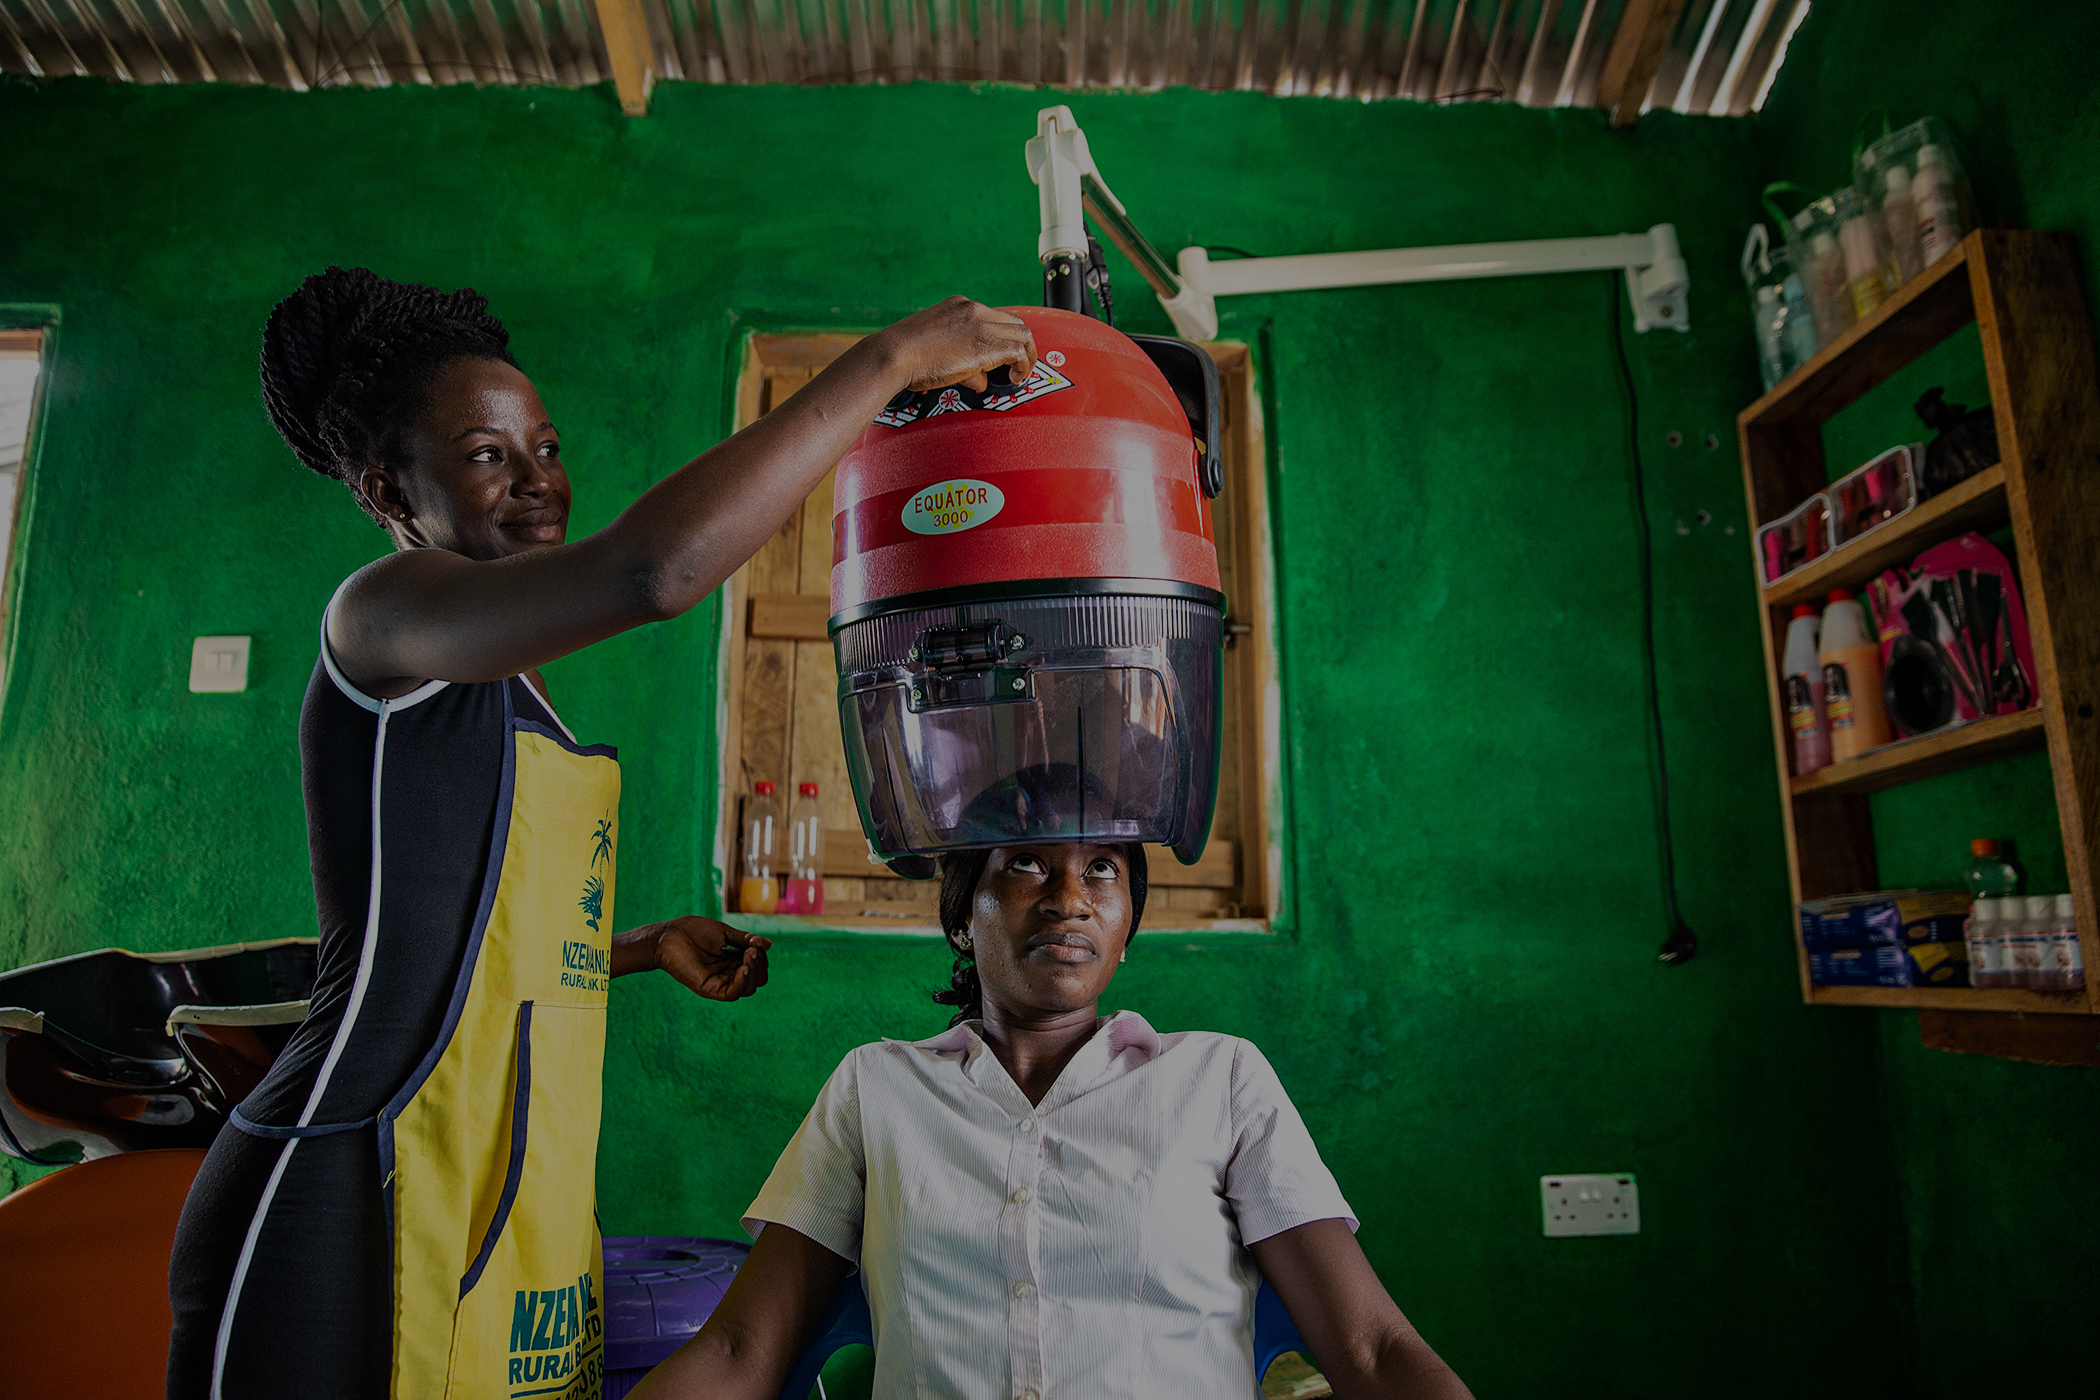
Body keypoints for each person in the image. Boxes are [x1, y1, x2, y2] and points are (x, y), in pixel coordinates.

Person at [166, 267, 1038, 1400]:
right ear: (389, 486)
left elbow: (452, 931)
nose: (538, 481)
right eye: (487, 455)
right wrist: (891, 360)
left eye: (546, 446)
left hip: (469, 1174)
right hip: (340, 1179)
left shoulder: (504, 674)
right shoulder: (378, 614)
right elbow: (653, 570)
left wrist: (633, 946)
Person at [631, 842, 1473, 1400]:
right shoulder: (875, 1088)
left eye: (1103, 869)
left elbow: (1370, 1351)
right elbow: (742, 1350)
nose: (1070, 898)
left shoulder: (1220, 1079)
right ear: (962, 916)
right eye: (1027, 864)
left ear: (1128, 926)